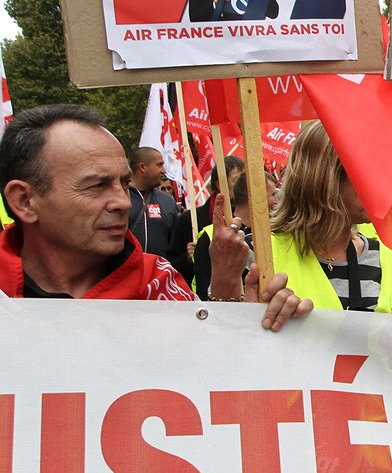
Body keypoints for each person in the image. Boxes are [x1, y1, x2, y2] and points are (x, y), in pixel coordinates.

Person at [0, 104, 307, 329]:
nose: (123, 203)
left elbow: (211, 379)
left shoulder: (159, 284)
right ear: (25, 200)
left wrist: (248, 322)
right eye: (97, 185)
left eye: (123, 184)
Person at [269, 121, 392, 313]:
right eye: (367, 172)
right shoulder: (261, 253)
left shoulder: (381, 256)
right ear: (327, 177)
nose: (379, 185)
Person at [193, 169, 278, 300]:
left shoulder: (273, 235)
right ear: (256, 196)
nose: (277, 201)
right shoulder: (211, 237)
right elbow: (204, 296)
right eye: (273, 195)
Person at [167, 155, 245, 285]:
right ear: (219, 184)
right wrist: (188, 258)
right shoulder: (189, 220)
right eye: (237, 181)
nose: (243, 187)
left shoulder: (250, 219)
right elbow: (171, 267)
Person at [127, 147, 180, 262]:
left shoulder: (168, 202)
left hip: (159, 277)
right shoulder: (119, 198)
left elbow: (175, 247)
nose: (164, 171)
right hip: (126, 275)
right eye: (159, 165)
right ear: (142, 167)